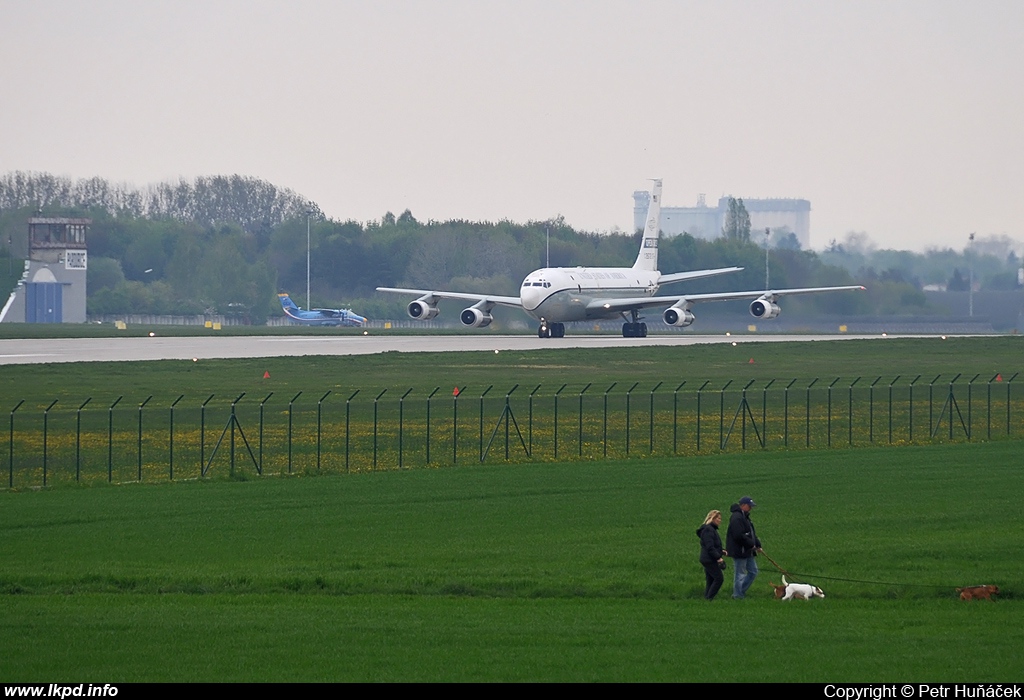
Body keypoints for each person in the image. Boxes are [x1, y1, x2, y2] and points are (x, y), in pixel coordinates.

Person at [726, 496, 762, 599]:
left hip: (748, 550)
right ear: (743, 505)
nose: (751, 508)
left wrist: (757, 544)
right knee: (740, 574)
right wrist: (751, 544)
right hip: (740, 551)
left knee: (753, 571)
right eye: (749, 506)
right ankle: (737, 595)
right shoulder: (736, 517)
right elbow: (738, 535)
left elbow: (750, 533)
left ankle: (740, 591)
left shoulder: (745, 517)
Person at [696, 509, 727, 600]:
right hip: (709, 559)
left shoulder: (710, 529)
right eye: (718, 518)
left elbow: (714, 546)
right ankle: (710, 598)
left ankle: (707, 599)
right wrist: (718, 557)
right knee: (719, 579)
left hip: (708, 558)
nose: (720, 520)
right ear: (712, 518)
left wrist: (722, 551)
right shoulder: (709, 530)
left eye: (720, 518)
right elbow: (710, 547)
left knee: (711, 579)